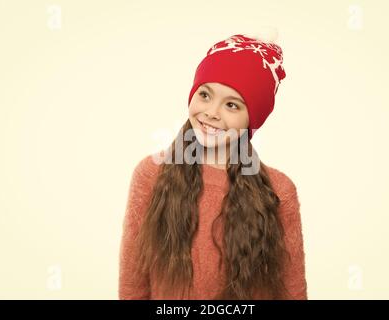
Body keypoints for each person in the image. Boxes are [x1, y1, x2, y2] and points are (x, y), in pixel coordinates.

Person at [119, 33, 308, 300]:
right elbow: (132, 282)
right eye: (205, 95)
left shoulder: (279, 190)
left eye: (231, 104)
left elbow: (292, 291)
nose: (211, 112)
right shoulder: (151, 173)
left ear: (251, 120)